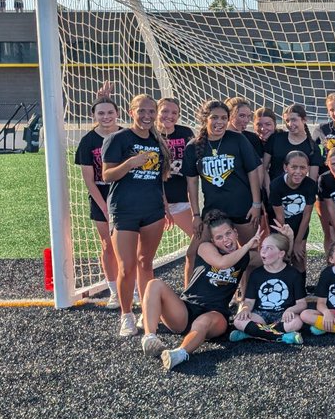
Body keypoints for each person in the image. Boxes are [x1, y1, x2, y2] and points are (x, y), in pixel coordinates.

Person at [145, 212, 263, 372]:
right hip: (186, 310)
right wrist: (248, 245)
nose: (226, 239)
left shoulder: (246, 256)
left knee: (203, 322)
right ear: (213, 241)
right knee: (154, 284)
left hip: (216, 314)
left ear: (236, 233)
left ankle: (179, 354)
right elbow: (222, 263)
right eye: (219, 237)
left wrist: (288, 239)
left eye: (228, 233)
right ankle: (150, 337)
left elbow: (276, 257)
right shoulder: (205, 247)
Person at [101, 94, 170, 337]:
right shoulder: (117, 139)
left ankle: (146, 312)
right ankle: (126, 315)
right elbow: (107, 175)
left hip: (152, 210)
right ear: (131, 112)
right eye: (142, 111)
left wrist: (166, 206)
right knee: (126, 267)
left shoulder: (158, 140)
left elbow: (158, 178)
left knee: (146, 263)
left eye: (151, 111)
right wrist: (131, 163)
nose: (147, 116)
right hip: (124, 210)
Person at [183, 100, 265, 249]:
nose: (219, 122)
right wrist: (195, 215)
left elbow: (253, 172)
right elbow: (192, 183)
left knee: (250, 252)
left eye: (223, 118)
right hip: (213, 212)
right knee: (194, 253)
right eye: (214, 117)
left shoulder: (238, 139)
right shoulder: (193, 147)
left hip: (243, 208)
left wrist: (256, 204)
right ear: (205, 119)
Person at [75, 98, 122, 308]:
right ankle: (114, 291)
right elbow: (88, 179)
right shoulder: (88, 141)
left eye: (110, 112)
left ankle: (134, 289)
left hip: (125, 193)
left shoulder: (125, 136)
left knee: (130, 246)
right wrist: (103, 205)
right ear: (94, 116)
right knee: (108, 246)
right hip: (101, 195)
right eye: (101, 113)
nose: (106, 117)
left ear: (117, 113)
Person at [231, 230, 306, 346]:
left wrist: (291, 310)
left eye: (269, 248)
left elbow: (302, 303)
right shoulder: (256, 274)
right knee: (238, 321)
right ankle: (282, 337)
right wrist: (245, 309)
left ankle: (252, 333)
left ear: (281, 254)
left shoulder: (293, 274)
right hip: (261, 314)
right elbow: (249, 301)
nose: (263, 251)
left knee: (296, 322)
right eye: (262, 247)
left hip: (283, 314)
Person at [269, 150, 318, 274]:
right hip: (281, 228)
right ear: (286, 167)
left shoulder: (310, 185)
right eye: (294, 167)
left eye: (302, 168)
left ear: (307, 169)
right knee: (282, 258)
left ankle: (300, 289)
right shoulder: (276, 185)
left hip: (300, 225)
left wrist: (297, 242)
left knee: (299, 258)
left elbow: (307, 215)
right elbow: (280, 217)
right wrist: (288, 242)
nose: (298, 172)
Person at [157, 97, 196, 240]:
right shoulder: (149, 135)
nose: (169, 116)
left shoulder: (185, 133)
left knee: (199, 239)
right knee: (143, 249)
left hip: (180, 199)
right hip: (155, 201)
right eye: (165, 111)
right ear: (156, 112)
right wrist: (164, 205)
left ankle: (192, 263)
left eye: (174, 113)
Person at [264, 104, 322, 184]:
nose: (290, 124)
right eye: (287, 121)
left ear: (304, 119)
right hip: (275, 192)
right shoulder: (275, 139)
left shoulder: (312, 147)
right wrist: (268, 189)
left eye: (294, 120)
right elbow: (263, 168)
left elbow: (312, 181)